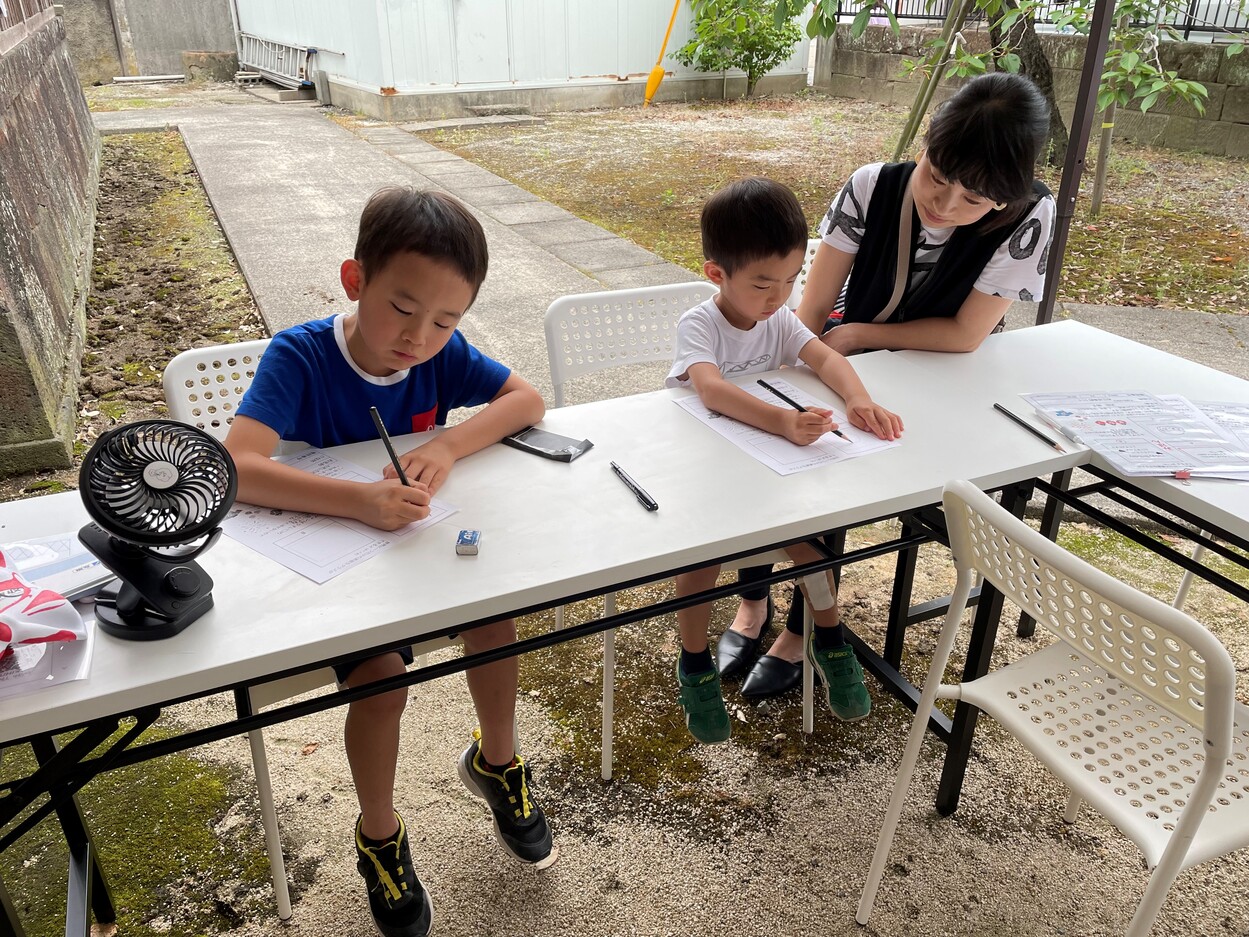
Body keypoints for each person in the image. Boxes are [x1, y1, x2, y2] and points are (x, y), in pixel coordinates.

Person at [224, 186, 554, 937]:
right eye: (402, 308)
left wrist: (443, 444)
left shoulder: (441, 357)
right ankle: (379, 833)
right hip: (335, 565)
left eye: (446, 320)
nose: (419, 337)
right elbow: (236, 466)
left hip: (418, 551)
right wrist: (359, 505)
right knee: (381, 680)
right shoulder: (302, 354)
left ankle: (496, 761)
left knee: (496, 614)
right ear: (354, 280)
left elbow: (525, 398)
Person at [725, 72, 1056, 701]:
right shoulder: (872, 186)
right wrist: (819, 365)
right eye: (937, 176)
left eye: (974, 200)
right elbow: (814, 308)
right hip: (845, 359)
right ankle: (752, 602)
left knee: (849, 485)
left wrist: (861, 337)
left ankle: (801, 631)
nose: (946, 205)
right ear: (926, 141)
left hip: (939, 377)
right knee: (791, 454)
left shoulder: (1029, 212)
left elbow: (965, 334)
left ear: (1004, 196)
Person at [665, 176, 904, 743]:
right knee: (701, 564)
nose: (778, 297)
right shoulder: (700, 323)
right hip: (707, 478)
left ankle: (830, 637)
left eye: (792, 279)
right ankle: (693, 661)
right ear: (716, 274)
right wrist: (785, 424)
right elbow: (712, 392)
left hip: (767, 474)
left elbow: (822, 355)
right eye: (762, 283)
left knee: (812, 554)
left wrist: (858, 399)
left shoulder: (777, 317)